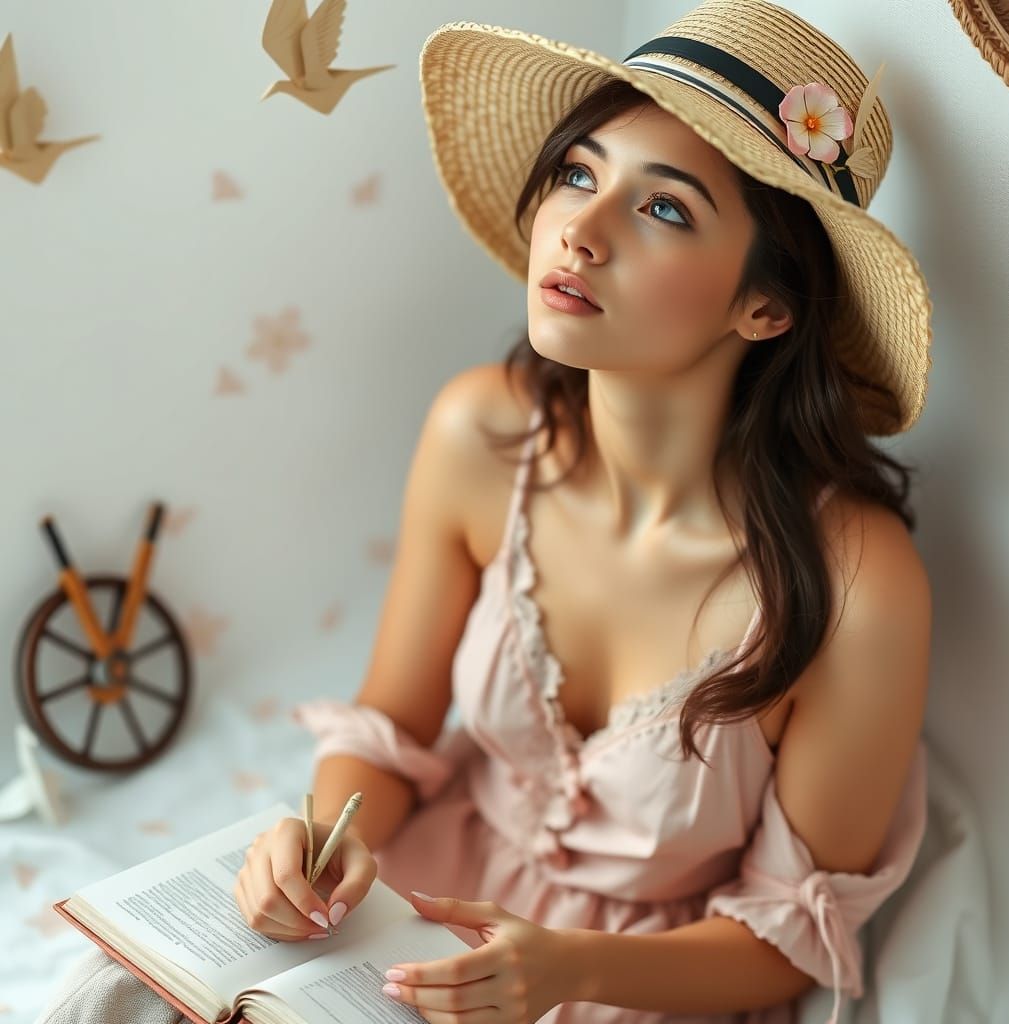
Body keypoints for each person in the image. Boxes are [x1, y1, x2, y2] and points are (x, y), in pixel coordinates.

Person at [34, 1, 932, 1023]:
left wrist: (571, 971)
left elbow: (785, 938)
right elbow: (394, 726)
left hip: (641, 979)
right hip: (414, 901)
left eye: (664, 208)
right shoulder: (480, 432)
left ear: (764, 306)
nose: (580, 231)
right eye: (579, 174)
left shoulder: (861, 581)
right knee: (118, 992)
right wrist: (320, 841)